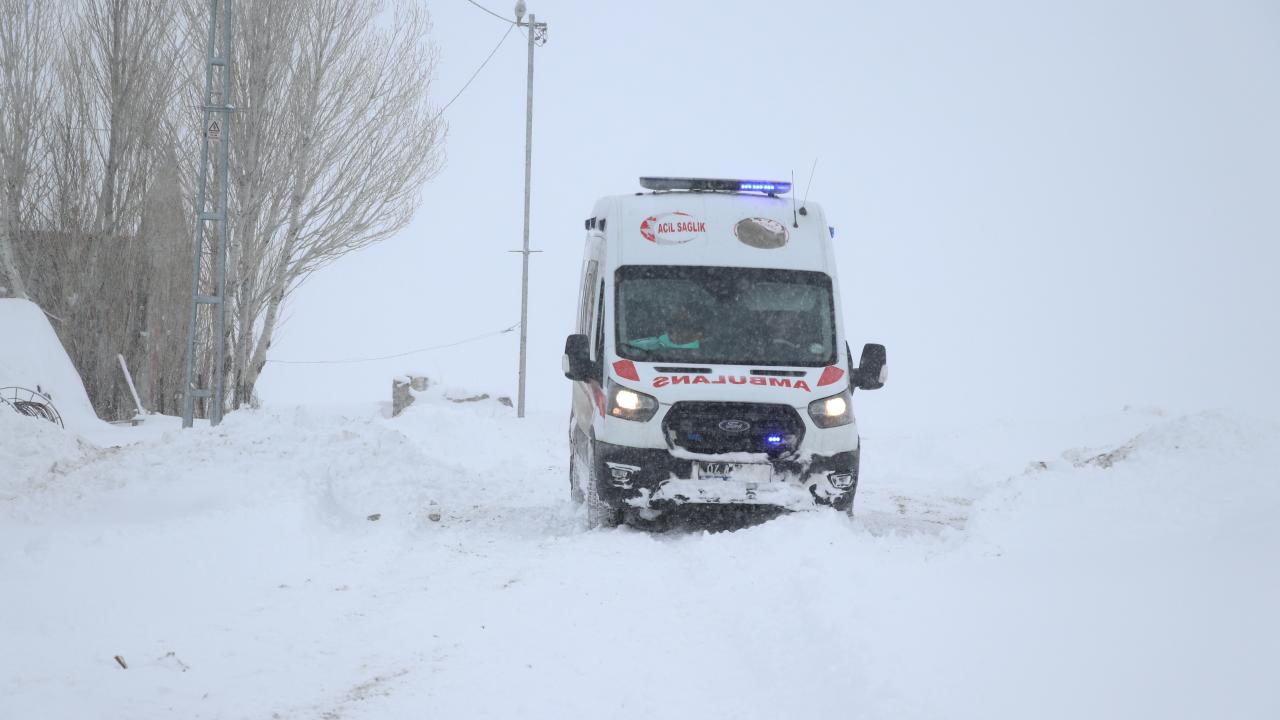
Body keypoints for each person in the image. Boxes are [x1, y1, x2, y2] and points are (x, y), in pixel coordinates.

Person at [627, 307, 706, 351]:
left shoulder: (707, 351)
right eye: (676, 324)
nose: (676, 331)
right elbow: (627, 346)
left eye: (684, 325)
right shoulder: (650, 345)